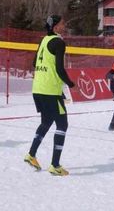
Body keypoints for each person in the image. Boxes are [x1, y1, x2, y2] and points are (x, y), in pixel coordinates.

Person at [24, 15, 76, 176]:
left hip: (38, 88)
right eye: (62, 23)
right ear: (55, 27)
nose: (64, 24)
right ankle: (55, 165)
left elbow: (34, 63)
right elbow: (60, 70)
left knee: (46, 122)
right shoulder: (59, 42)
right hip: (50, 91)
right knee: (62, 125)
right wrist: (71, 84)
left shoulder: (44, 40)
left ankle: (31, 155)